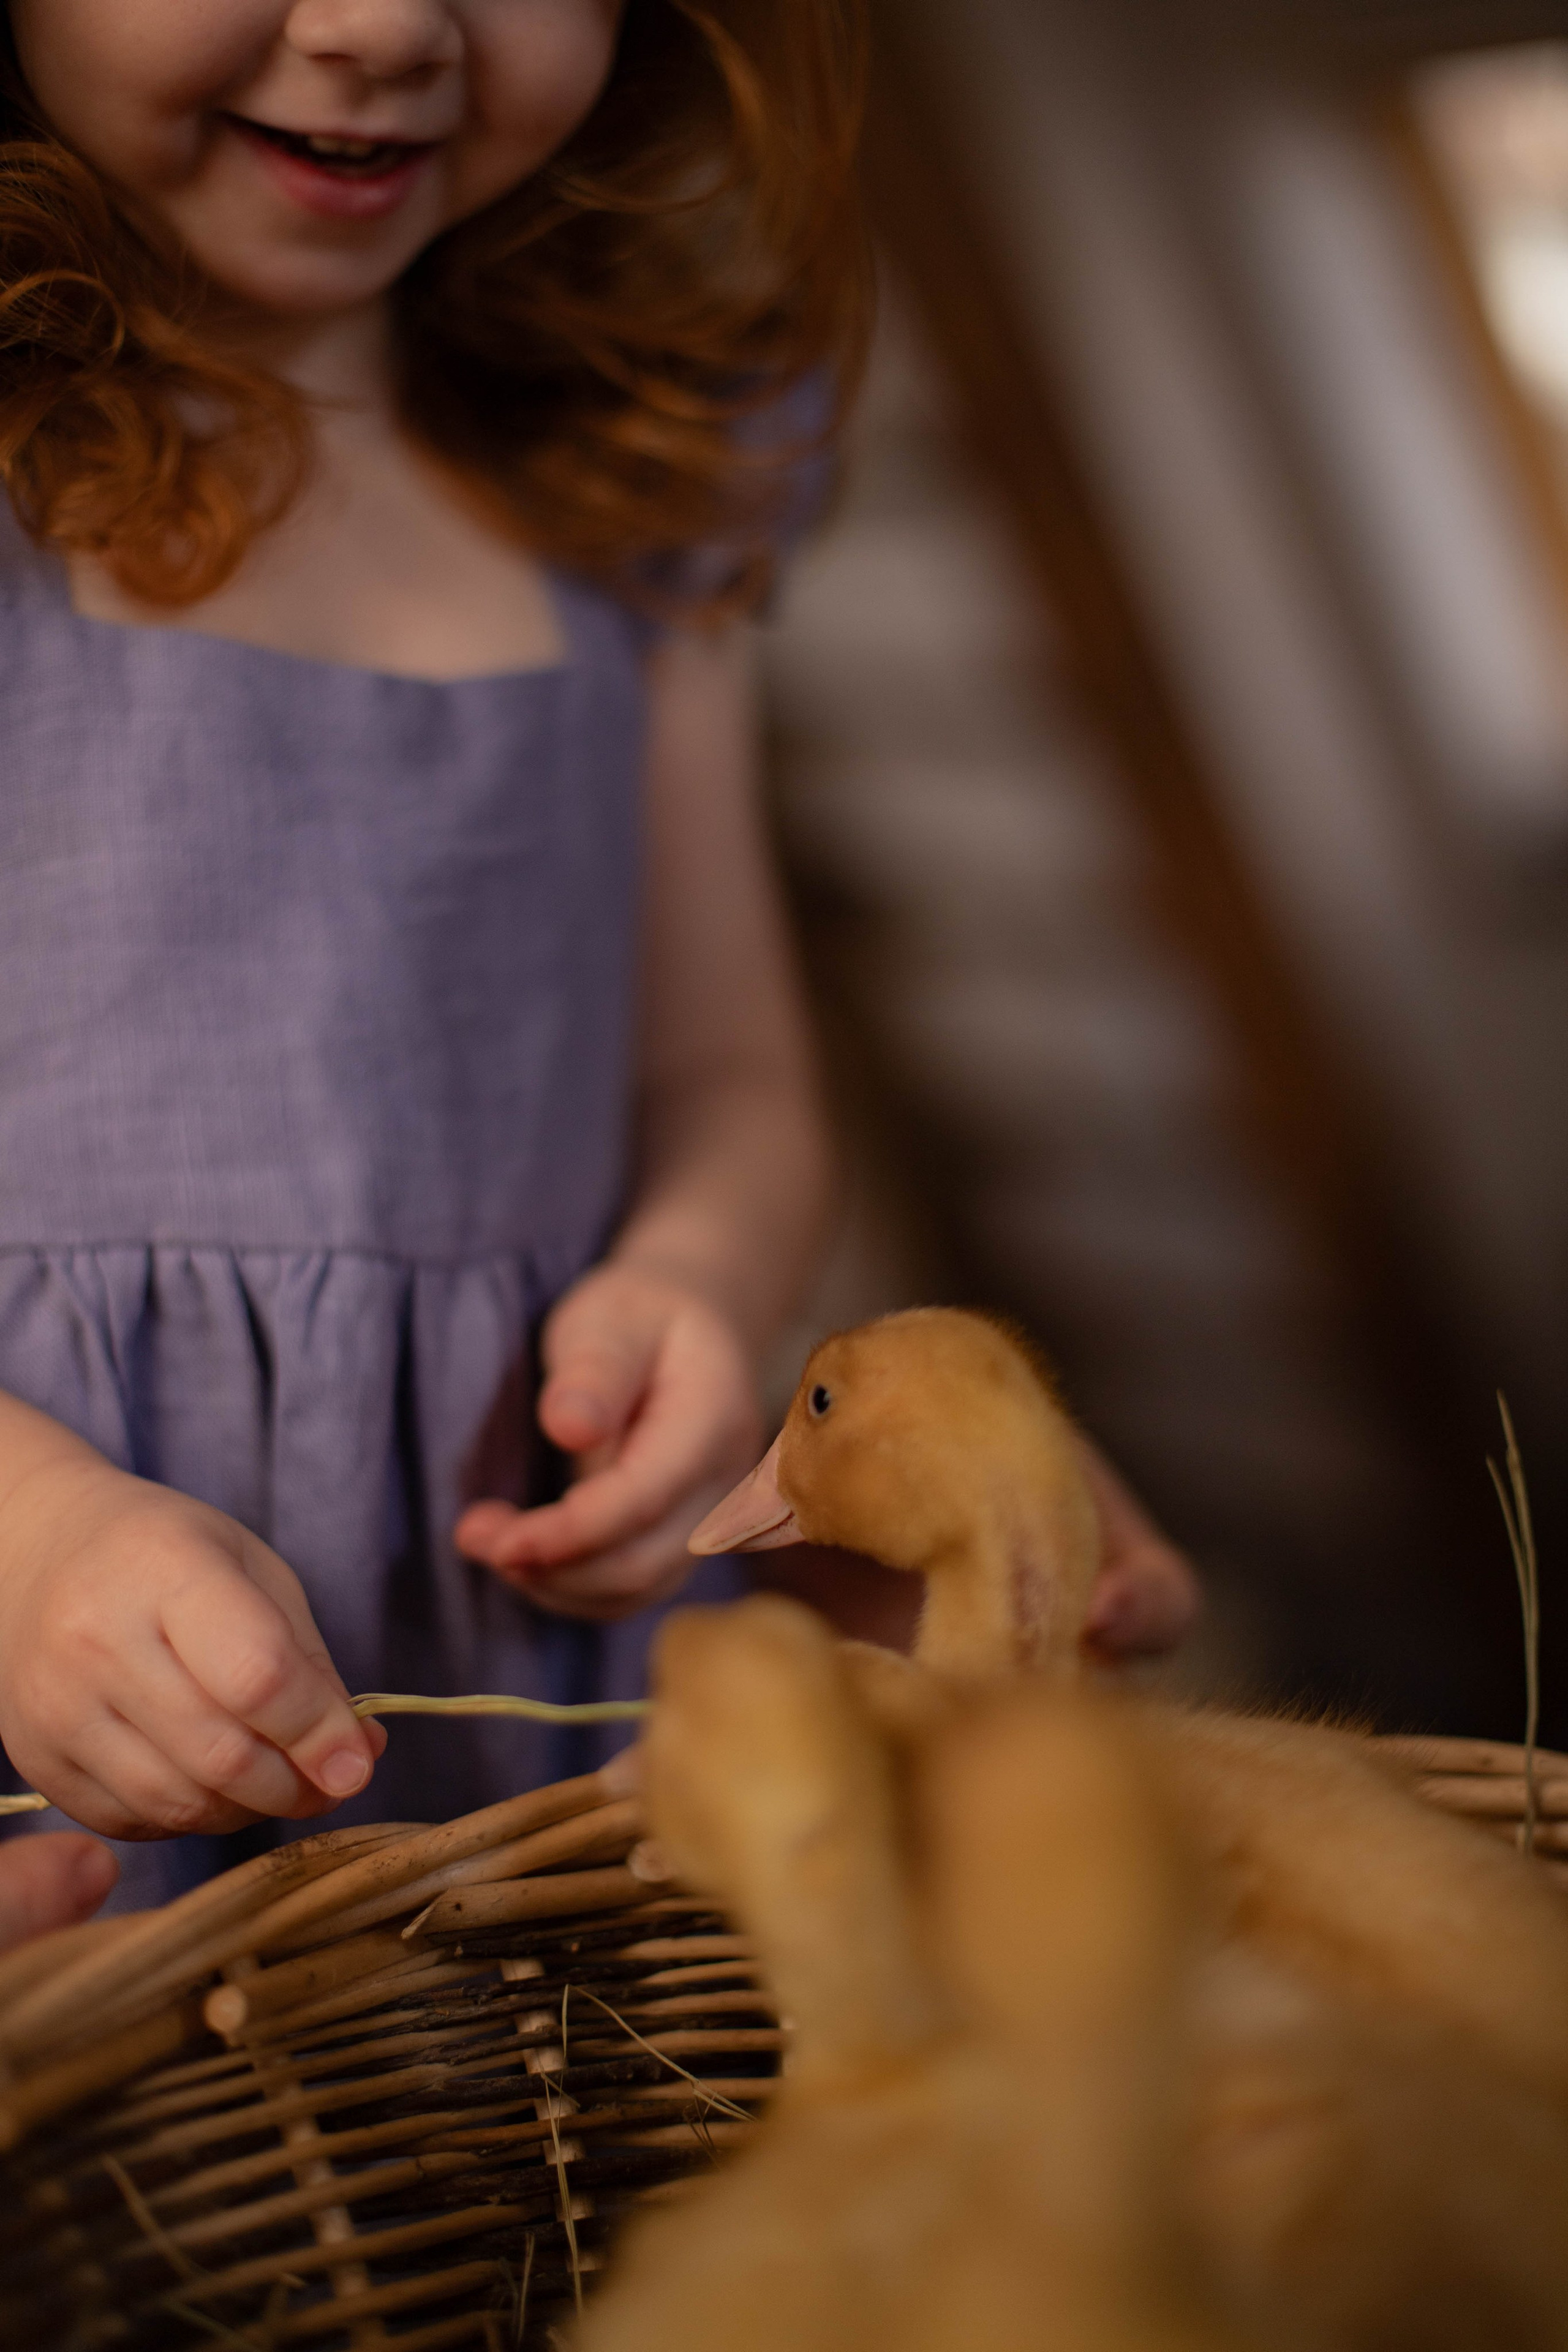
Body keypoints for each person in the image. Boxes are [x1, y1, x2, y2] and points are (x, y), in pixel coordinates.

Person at [0, 0, 1196, 1912]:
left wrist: (700, 1284)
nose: (386, 23)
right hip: (61, 1708)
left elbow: (725, 1075)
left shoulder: (627, 498)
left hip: (551, 1669)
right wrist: (27, 1541)